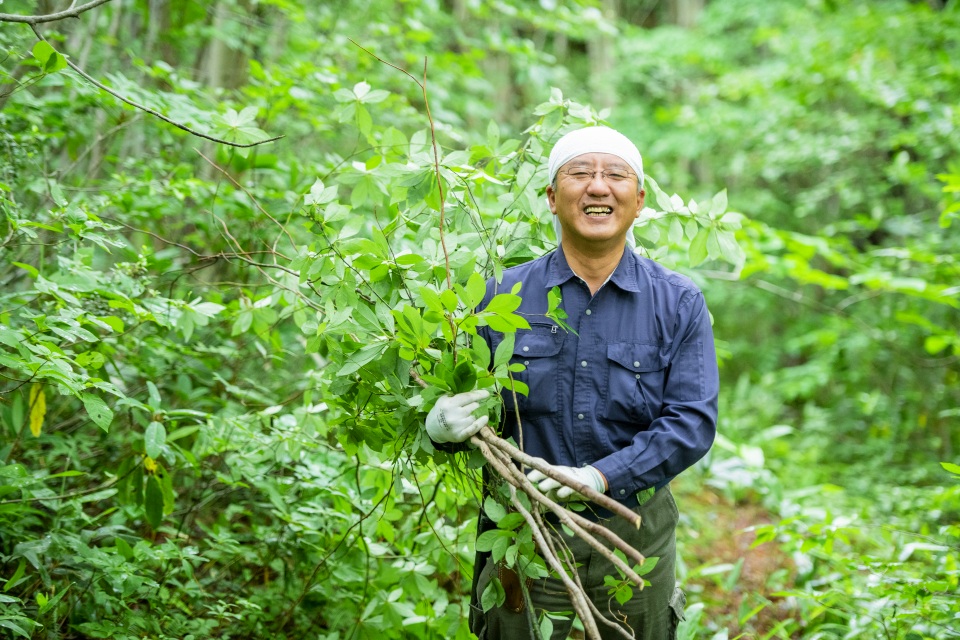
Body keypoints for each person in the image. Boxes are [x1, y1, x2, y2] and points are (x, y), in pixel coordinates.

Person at [426, 126, 719, 639]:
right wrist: (438, 427)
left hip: (634, 543)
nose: (598, 187)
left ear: (639, 199)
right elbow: (464, 410)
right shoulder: (499, 297)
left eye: (615, 175)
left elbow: (691, 423)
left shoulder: (678, 303)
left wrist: (601, 477)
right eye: (580, 173)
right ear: (552, 198)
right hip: (522, 537)